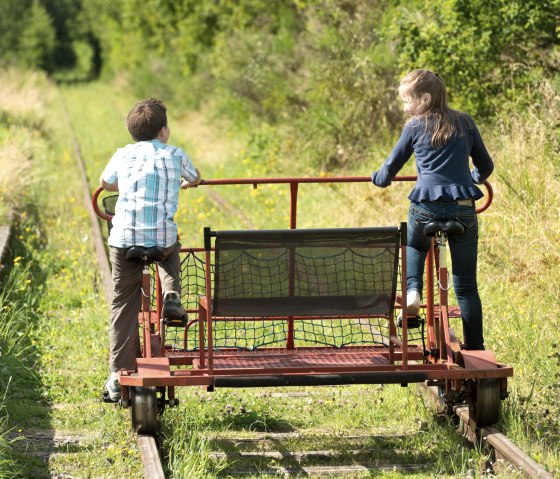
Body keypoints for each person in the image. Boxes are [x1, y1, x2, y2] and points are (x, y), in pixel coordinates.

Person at [371, 69, 493, 351]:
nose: (406, 108)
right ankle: (476, 348)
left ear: (425, 98)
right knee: (466, 287)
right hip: (463, 208)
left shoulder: (415, 126)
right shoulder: (465, 122)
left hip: (425, 209)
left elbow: (390, 168)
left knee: (414, 245)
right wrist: (472, 180)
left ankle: (413, 291)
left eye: (407, 101)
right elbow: (485, 167)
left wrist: (378, 178)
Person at [99, 98, 202, 401]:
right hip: (160, 238)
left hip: (124, 240)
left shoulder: (122, 154)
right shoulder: (175, 154)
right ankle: (171, 295)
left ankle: (118, 376)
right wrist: (183, 184)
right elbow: (195, 177)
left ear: (132, 132)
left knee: (122, 303)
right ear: (163, 131)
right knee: (171, 250)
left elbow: (105, 184)